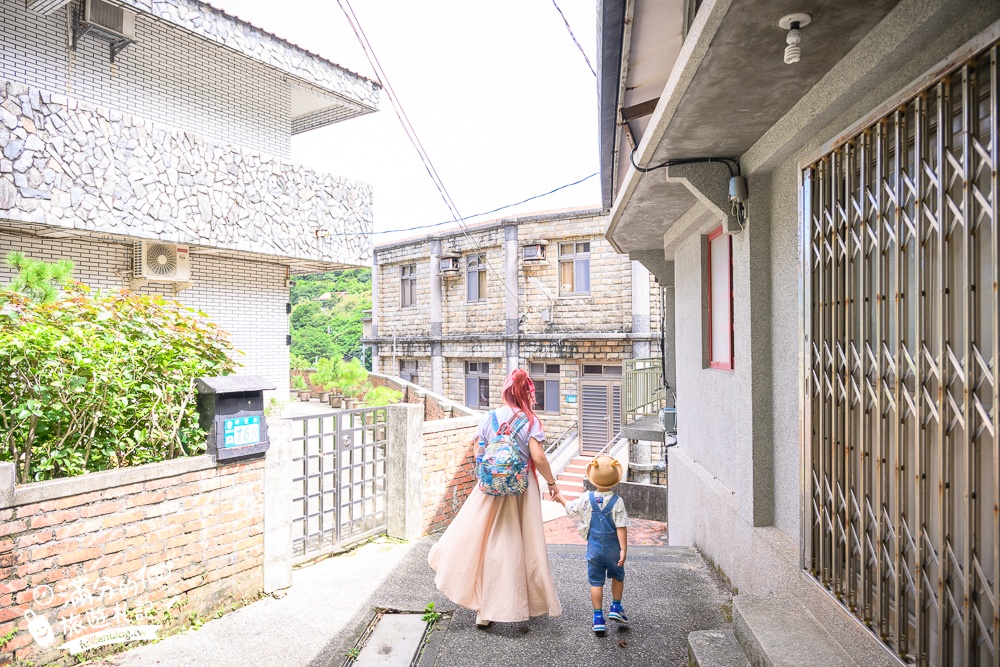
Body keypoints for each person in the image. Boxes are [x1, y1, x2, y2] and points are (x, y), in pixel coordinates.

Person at [427, 368, 565, 627]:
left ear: (505, 392)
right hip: (521, 489)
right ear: (527, 394)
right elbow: (538, 457)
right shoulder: (531, 421)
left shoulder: (488, 417)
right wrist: (552, 483)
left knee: (482, 543)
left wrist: (488, 476)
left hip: (490, 487)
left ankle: (484, 609)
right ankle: (511, 604)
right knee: (517, 546)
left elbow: (479, 452)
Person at [558, 455, 630, 633]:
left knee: (596, 582)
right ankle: (616, 606)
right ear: (614, 479)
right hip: (613, 549)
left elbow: (571, 509)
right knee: (618, 575)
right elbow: (621, 526)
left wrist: (560, 498)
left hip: (594, 549)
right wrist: (623, 549)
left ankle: (598, 618)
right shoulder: (617, 501)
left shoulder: (586, 498)